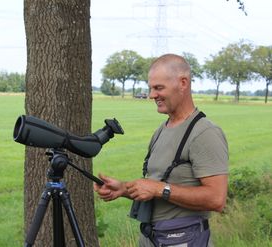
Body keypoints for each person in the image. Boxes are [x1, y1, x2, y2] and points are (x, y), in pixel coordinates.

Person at [94, 54, 228, 247]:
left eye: (158, 88)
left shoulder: (205, 133)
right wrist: (123, 189)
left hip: (184, 239)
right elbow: (155, 187)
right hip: (152, 238)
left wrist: (159, 189)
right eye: (150, 88)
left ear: (183, 83)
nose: (151, 95)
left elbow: (217, 199)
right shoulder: (161, 130)